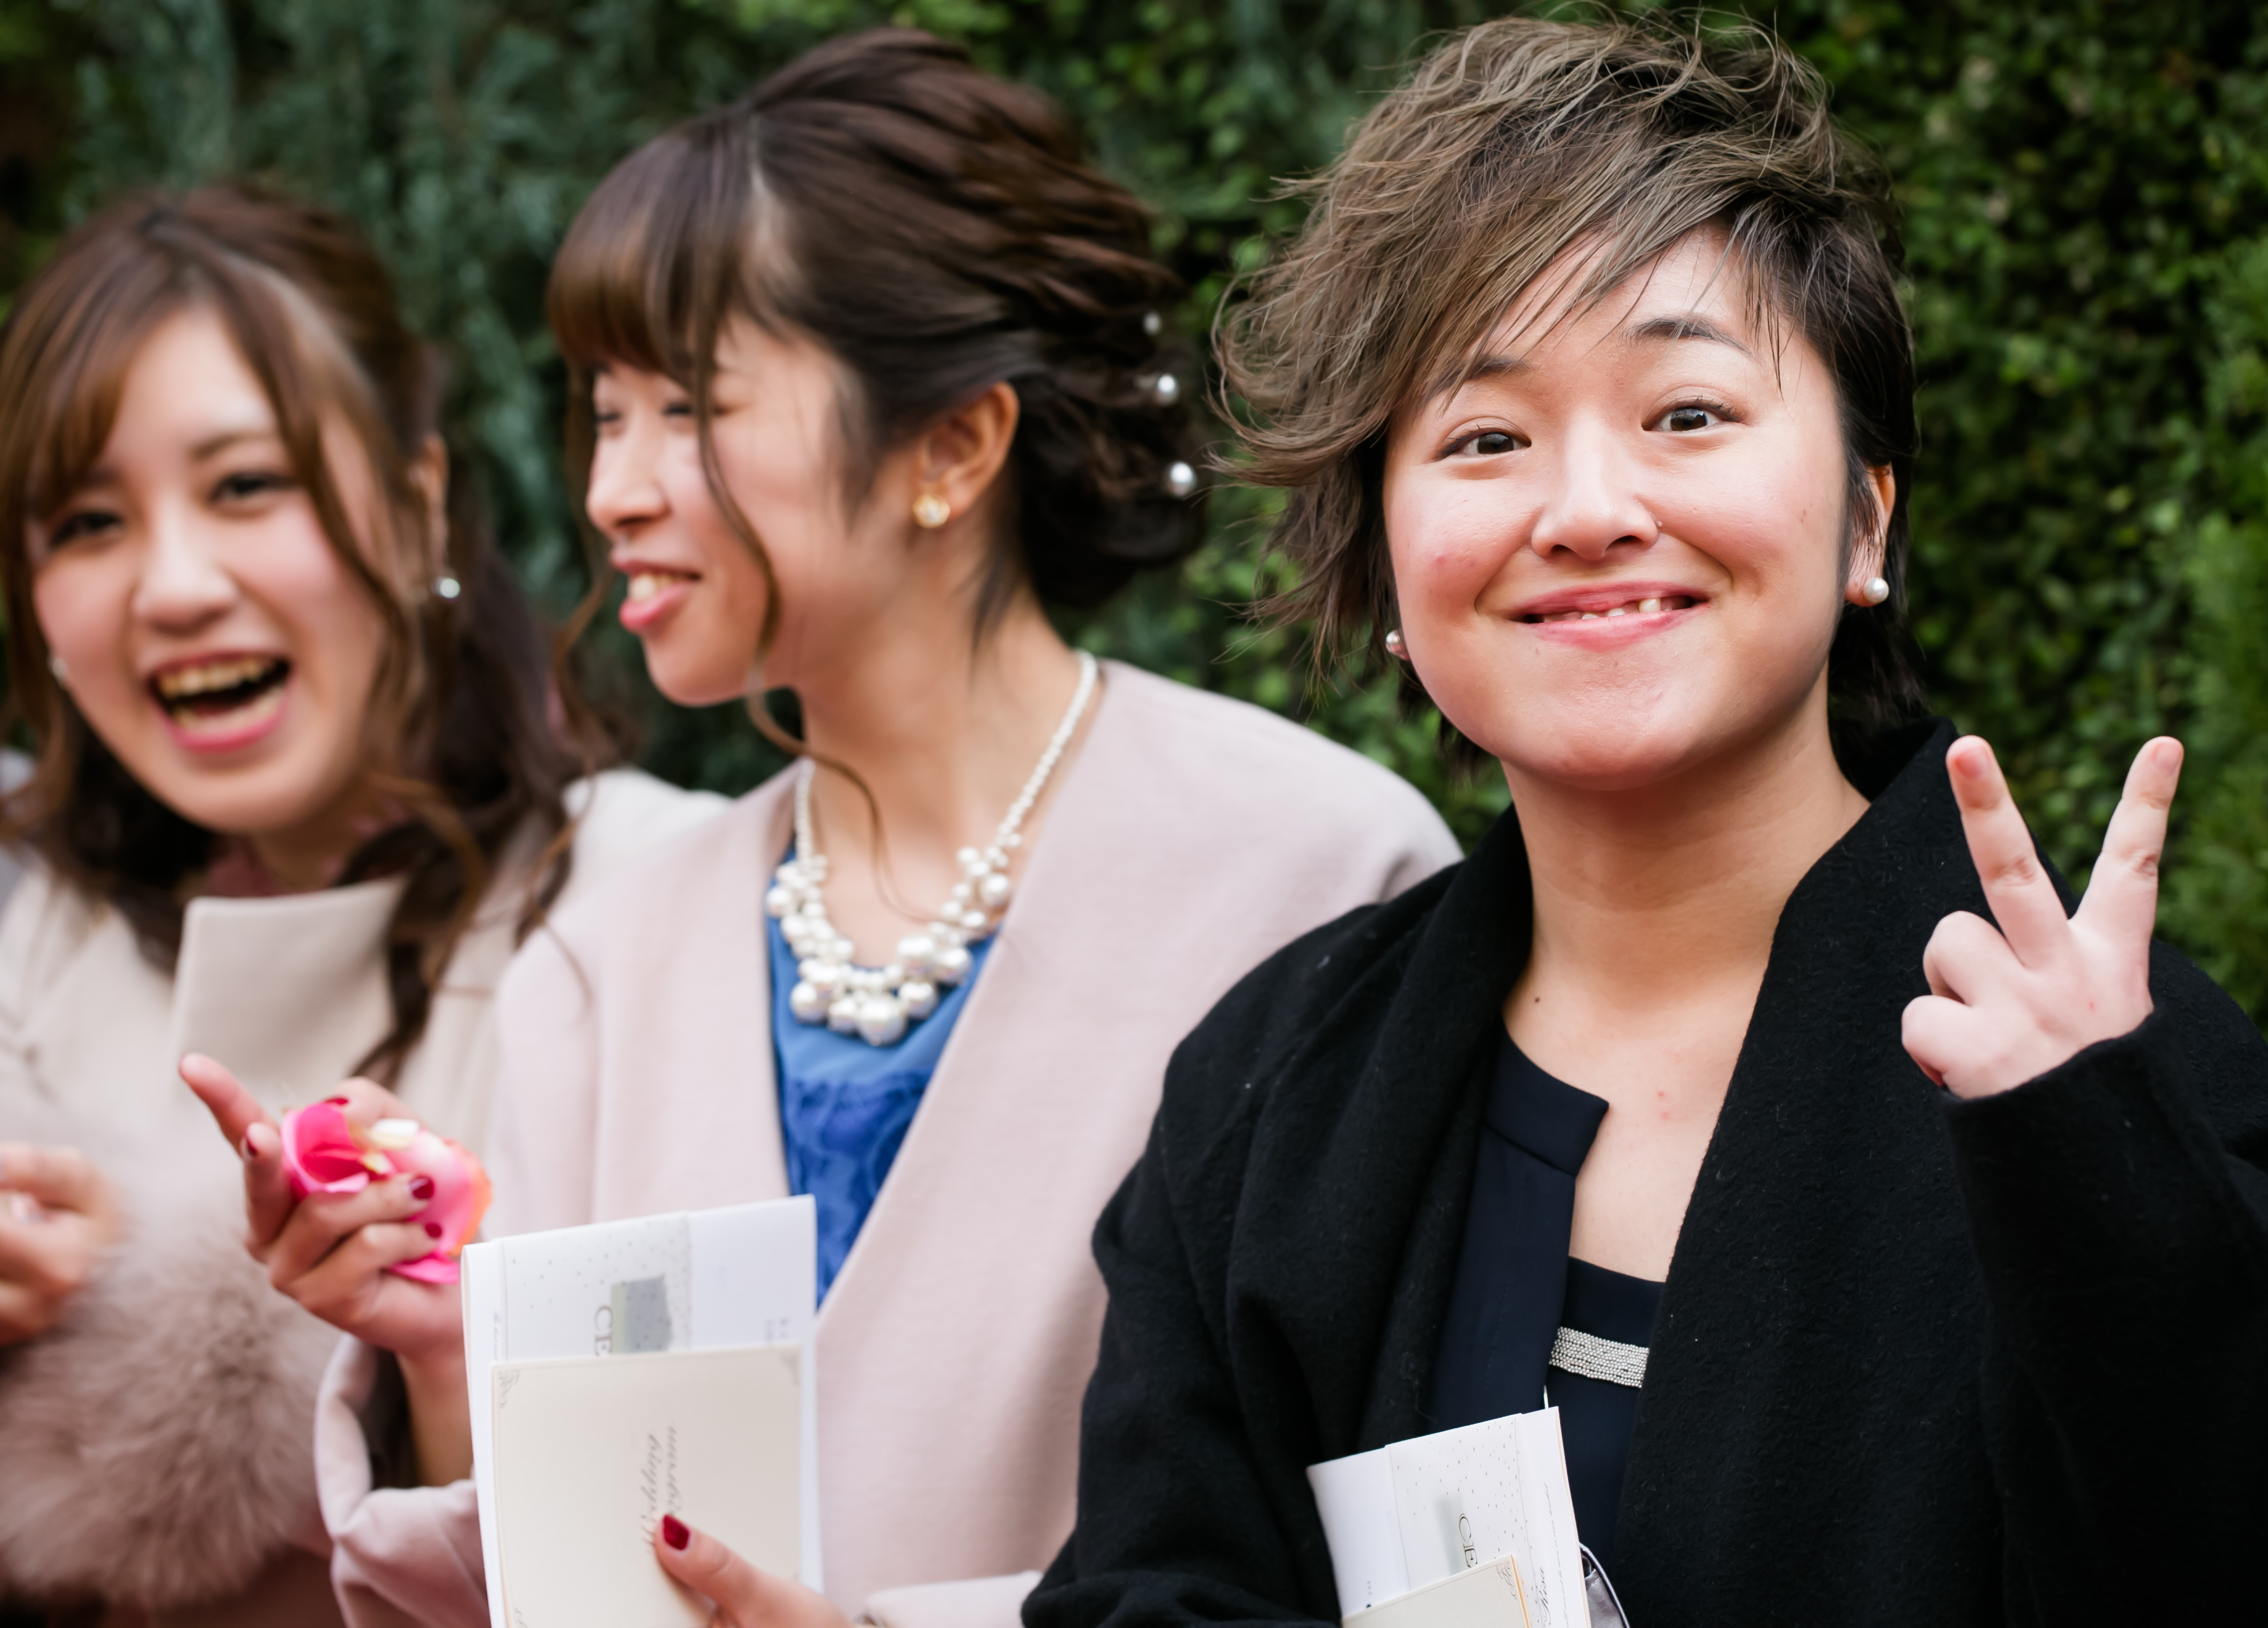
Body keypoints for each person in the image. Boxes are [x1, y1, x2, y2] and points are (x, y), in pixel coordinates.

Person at [1021, 17, 2268, 1628]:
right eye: (1485, 439)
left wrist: (2104, 1183)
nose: (1587, 510)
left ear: (1866, 520)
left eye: (1687, 412)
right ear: (1387, 573)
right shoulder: (1275, 1091)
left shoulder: (2112, 1071)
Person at [186, 30, 1458, 1628]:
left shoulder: (1320, 879)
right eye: (605, 413)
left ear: (954, 447)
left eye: (690, 408)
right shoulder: (611, 955)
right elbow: (570, 1573)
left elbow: (1392, 1532)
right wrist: (443, 1346)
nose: (613, 489)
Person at [0, 188, 721, 1626]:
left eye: (246, 486)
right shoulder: (29, 921)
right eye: (88, 522)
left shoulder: (656, 904)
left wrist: (146, 1297)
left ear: (415, 503)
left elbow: (683, 1525)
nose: (174, 587)